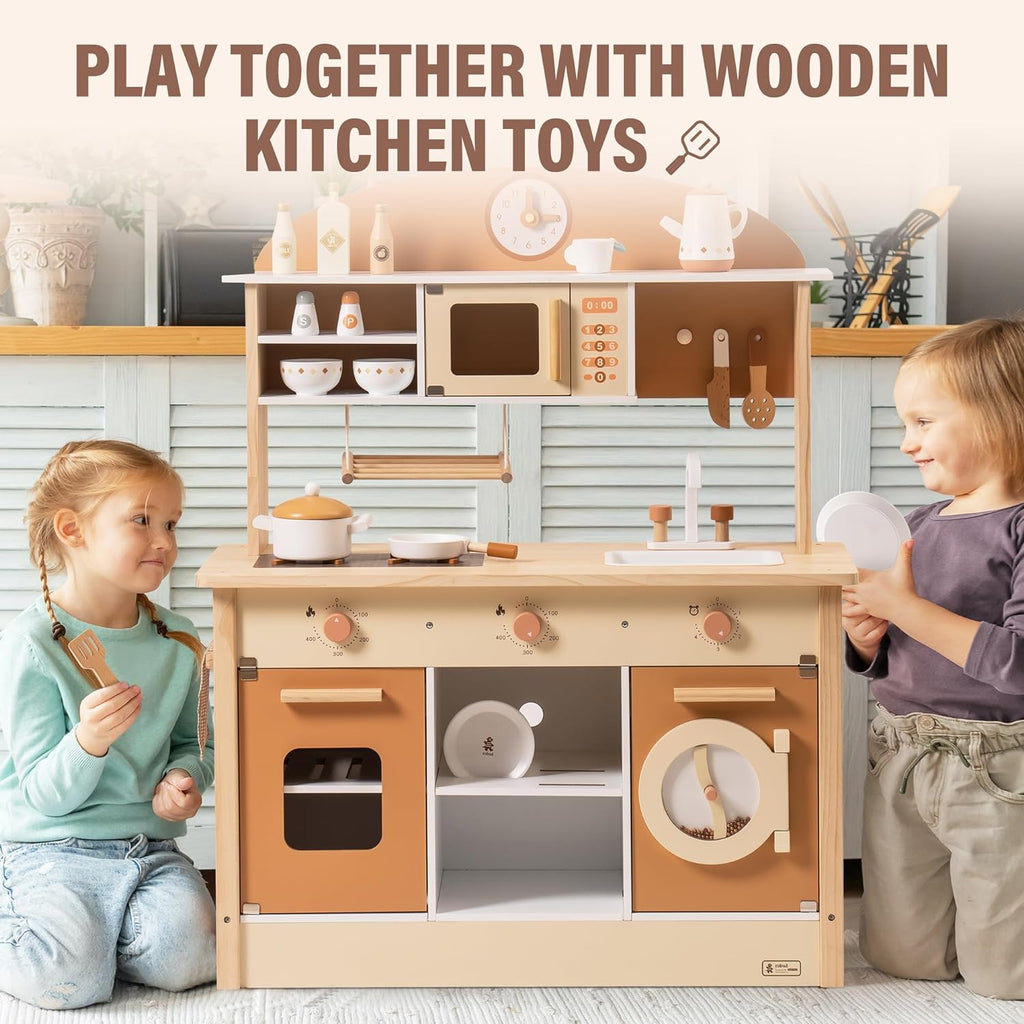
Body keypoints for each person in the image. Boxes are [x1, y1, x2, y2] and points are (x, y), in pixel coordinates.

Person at [842, 318, 1024, 1000]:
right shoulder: (914, 527)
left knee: (1006, 978)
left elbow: (1017, 662)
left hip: (999, 765)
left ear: (1003, 416)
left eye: (923, 421)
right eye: (903, 422)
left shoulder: (1017, 527)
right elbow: (887, 648)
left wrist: (905, 608)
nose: (906, 442)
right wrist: (865, 634)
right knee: (900, 955)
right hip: (903, 752)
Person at [0, 440, 215, 1010]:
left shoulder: (179, 642)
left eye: (171, 523)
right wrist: (87, 743)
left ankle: (94, 934)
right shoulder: (34, 645)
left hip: (147, 848)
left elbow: (195, 744)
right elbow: (44, 794)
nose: (165, 541)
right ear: (73, 530)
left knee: (192, 959)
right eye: (141, 521)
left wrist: (183, 779)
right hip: (51, 847)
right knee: (67, 984)